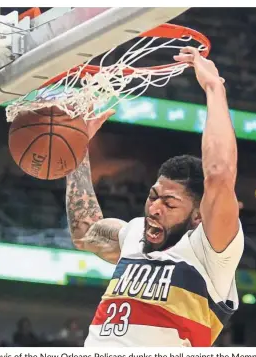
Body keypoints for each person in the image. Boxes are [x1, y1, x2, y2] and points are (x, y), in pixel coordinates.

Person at [65, 47, 244, 347]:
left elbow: (220, 175)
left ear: (198, 215)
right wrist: (77, 150)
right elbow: (84, 232)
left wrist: (214, 88)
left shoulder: (211, 252)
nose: (155, 208)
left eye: (170, 203)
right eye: (153, 196)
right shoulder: (134, 233)